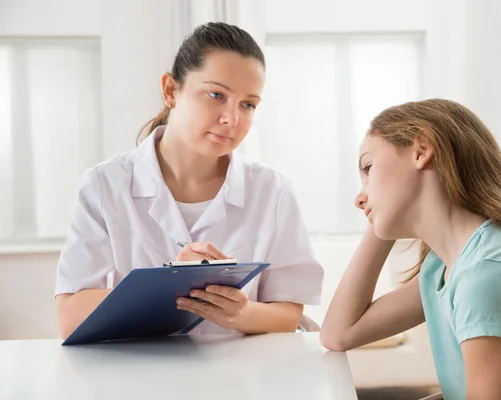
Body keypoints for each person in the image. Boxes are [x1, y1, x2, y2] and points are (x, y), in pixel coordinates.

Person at [55, 22, 323, 339]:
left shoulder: (272, 191)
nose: (231, 119)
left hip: (239, 380)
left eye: (248, 104)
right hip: (139, 378)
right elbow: (70, 316)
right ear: (171, 90)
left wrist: (242, 312)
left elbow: (289, 314)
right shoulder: (105, 184)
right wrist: (174, 282)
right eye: (216, 95)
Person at [320, 99, 501, 399]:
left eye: (368, 167)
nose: (358, 198)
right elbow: (339, 333)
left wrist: (386, 206)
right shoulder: (443, 268)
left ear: (422, 150)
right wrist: (381, 214)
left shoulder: (490, 272)